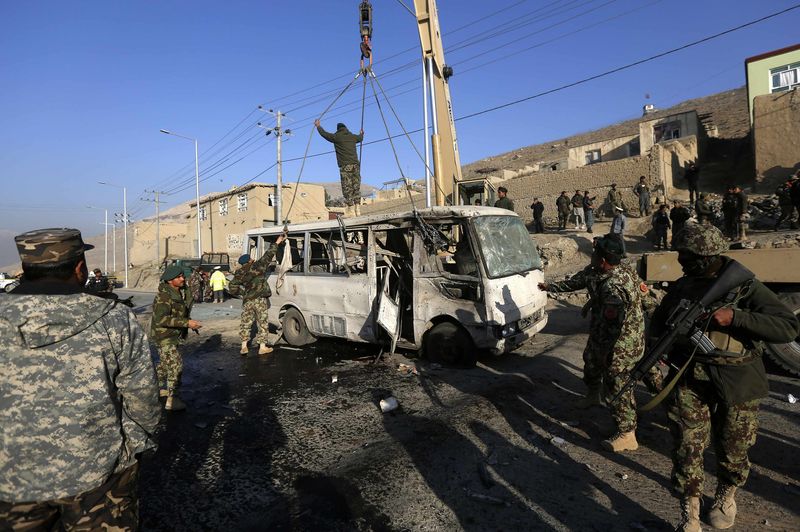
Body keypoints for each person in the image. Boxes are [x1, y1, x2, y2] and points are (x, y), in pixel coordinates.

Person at [0, 228, 160, 529]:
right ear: (79, 267)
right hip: (98, 474)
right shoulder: (115, 318)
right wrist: (134, 450)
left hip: (11, 479)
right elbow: (142, 396)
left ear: (25, 269)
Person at [650, 224, 798, 531]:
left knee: (733, 446)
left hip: (737, 378)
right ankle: (690, 511)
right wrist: (659, 347)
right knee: (686, 444)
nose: (680, 261)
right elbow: (659, 323)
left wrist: (736, 318)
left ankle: (725, 494)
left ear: (706, 257)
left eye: (686, 256)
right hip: (690, 375)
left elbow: (787, 327)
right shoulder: (683, 285)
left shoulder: (744, 287)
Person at [539, 236, 662, 452]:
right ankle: (593, 395)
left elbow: (618, 324)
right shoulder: (598, 271)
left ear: (604, 259)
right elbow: (577, 281)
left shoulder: (615, 286)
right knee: (591, 361)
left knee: (617, 383)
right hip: (602, 332)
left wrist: (609, 352)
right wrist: (550, 286)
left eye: (595, 253)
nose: (591, 255)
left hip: (621, 342)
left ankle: (627, 433)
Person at [151, 265, 202, 411]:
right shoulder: (164, 296)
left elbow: (182, 311)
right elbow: (161, 319)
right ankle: (172, 400)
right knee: (176, 366)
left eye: (182, 276)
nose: (182, 278)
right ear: (169, 281)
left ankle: (158, 388)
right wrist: (187, 323)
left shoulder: (180, 292)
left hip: (174, 335)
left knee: (165, 365)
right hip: (164, 336)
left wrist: (188, 322)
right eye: (178, 277)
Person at [230, 234, 286, 356]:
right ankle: (262, 347)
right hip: (259, 300)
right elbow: (269, 254)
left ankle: (244, 346)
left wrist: (243, 293)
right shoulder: (258, 266)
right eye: (251, 258)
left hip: (247, 301)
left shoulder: (239, 273)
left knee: (246, 322)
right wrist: (278, 241)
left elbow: (232, 287)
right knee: (263, 323)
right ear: (249, 260)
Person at [315, 119, 364, 210]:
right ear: (346, 128)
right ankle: (358, 207)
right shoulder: (352, 137)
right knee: (356, 186)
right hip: (355, 165)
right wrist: (361, 133)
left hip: (345, 166)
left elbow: (324, 134)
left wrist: (318, 126)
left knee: (347, 186)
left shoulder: (336, 137)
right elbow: (360, 138)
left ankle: (351, 209)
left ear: (338, 129)